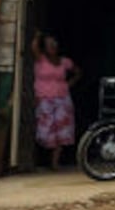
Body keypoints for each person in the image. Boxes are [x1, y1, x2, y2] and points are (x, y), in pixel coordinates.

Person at [31, 31, 82, 170]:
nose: (52, 46)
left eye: (54, 44)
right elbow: (34, 48)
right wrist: (37, 36)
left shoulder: (64, 62)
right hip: (44, 99)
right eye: (49, 44)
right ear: (44, 47)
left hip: (62, 99)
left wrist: (69, 84)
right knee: (45, 130)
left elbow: (78, 72)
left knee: (61, 130)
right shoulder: (40, 59)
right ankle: (41, 161)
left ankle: (55, 162)